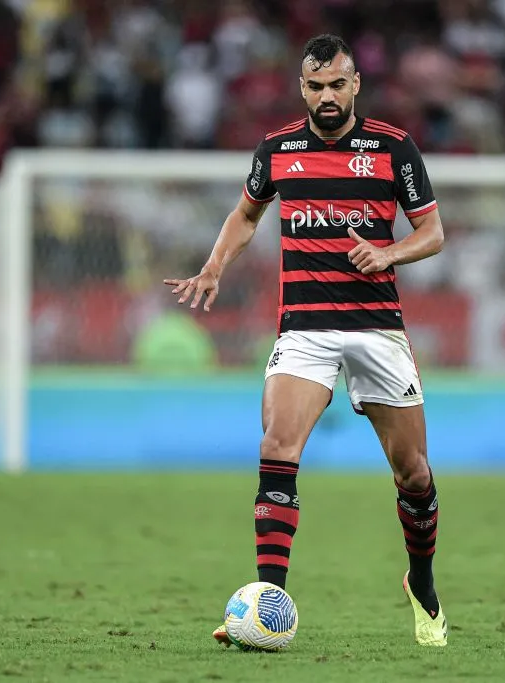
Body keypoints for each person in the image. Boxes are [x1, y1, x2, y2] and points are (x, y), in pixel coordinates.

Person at [164, 34, 448, 647]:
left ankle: (421, 580)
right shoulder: (278, 151)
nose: (326, 96)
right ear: (303, 88)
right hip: (305, 329)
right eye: (314, 86)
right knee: (277, 445)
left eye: (336, 84)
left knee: (414, 473)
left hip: (377, 330)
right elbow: (246, 214)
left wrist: (388, 251)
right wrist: (214, 265)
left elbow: (433, 233)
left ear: (354, 86)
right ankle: (268, 600)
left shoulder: (393, 149)